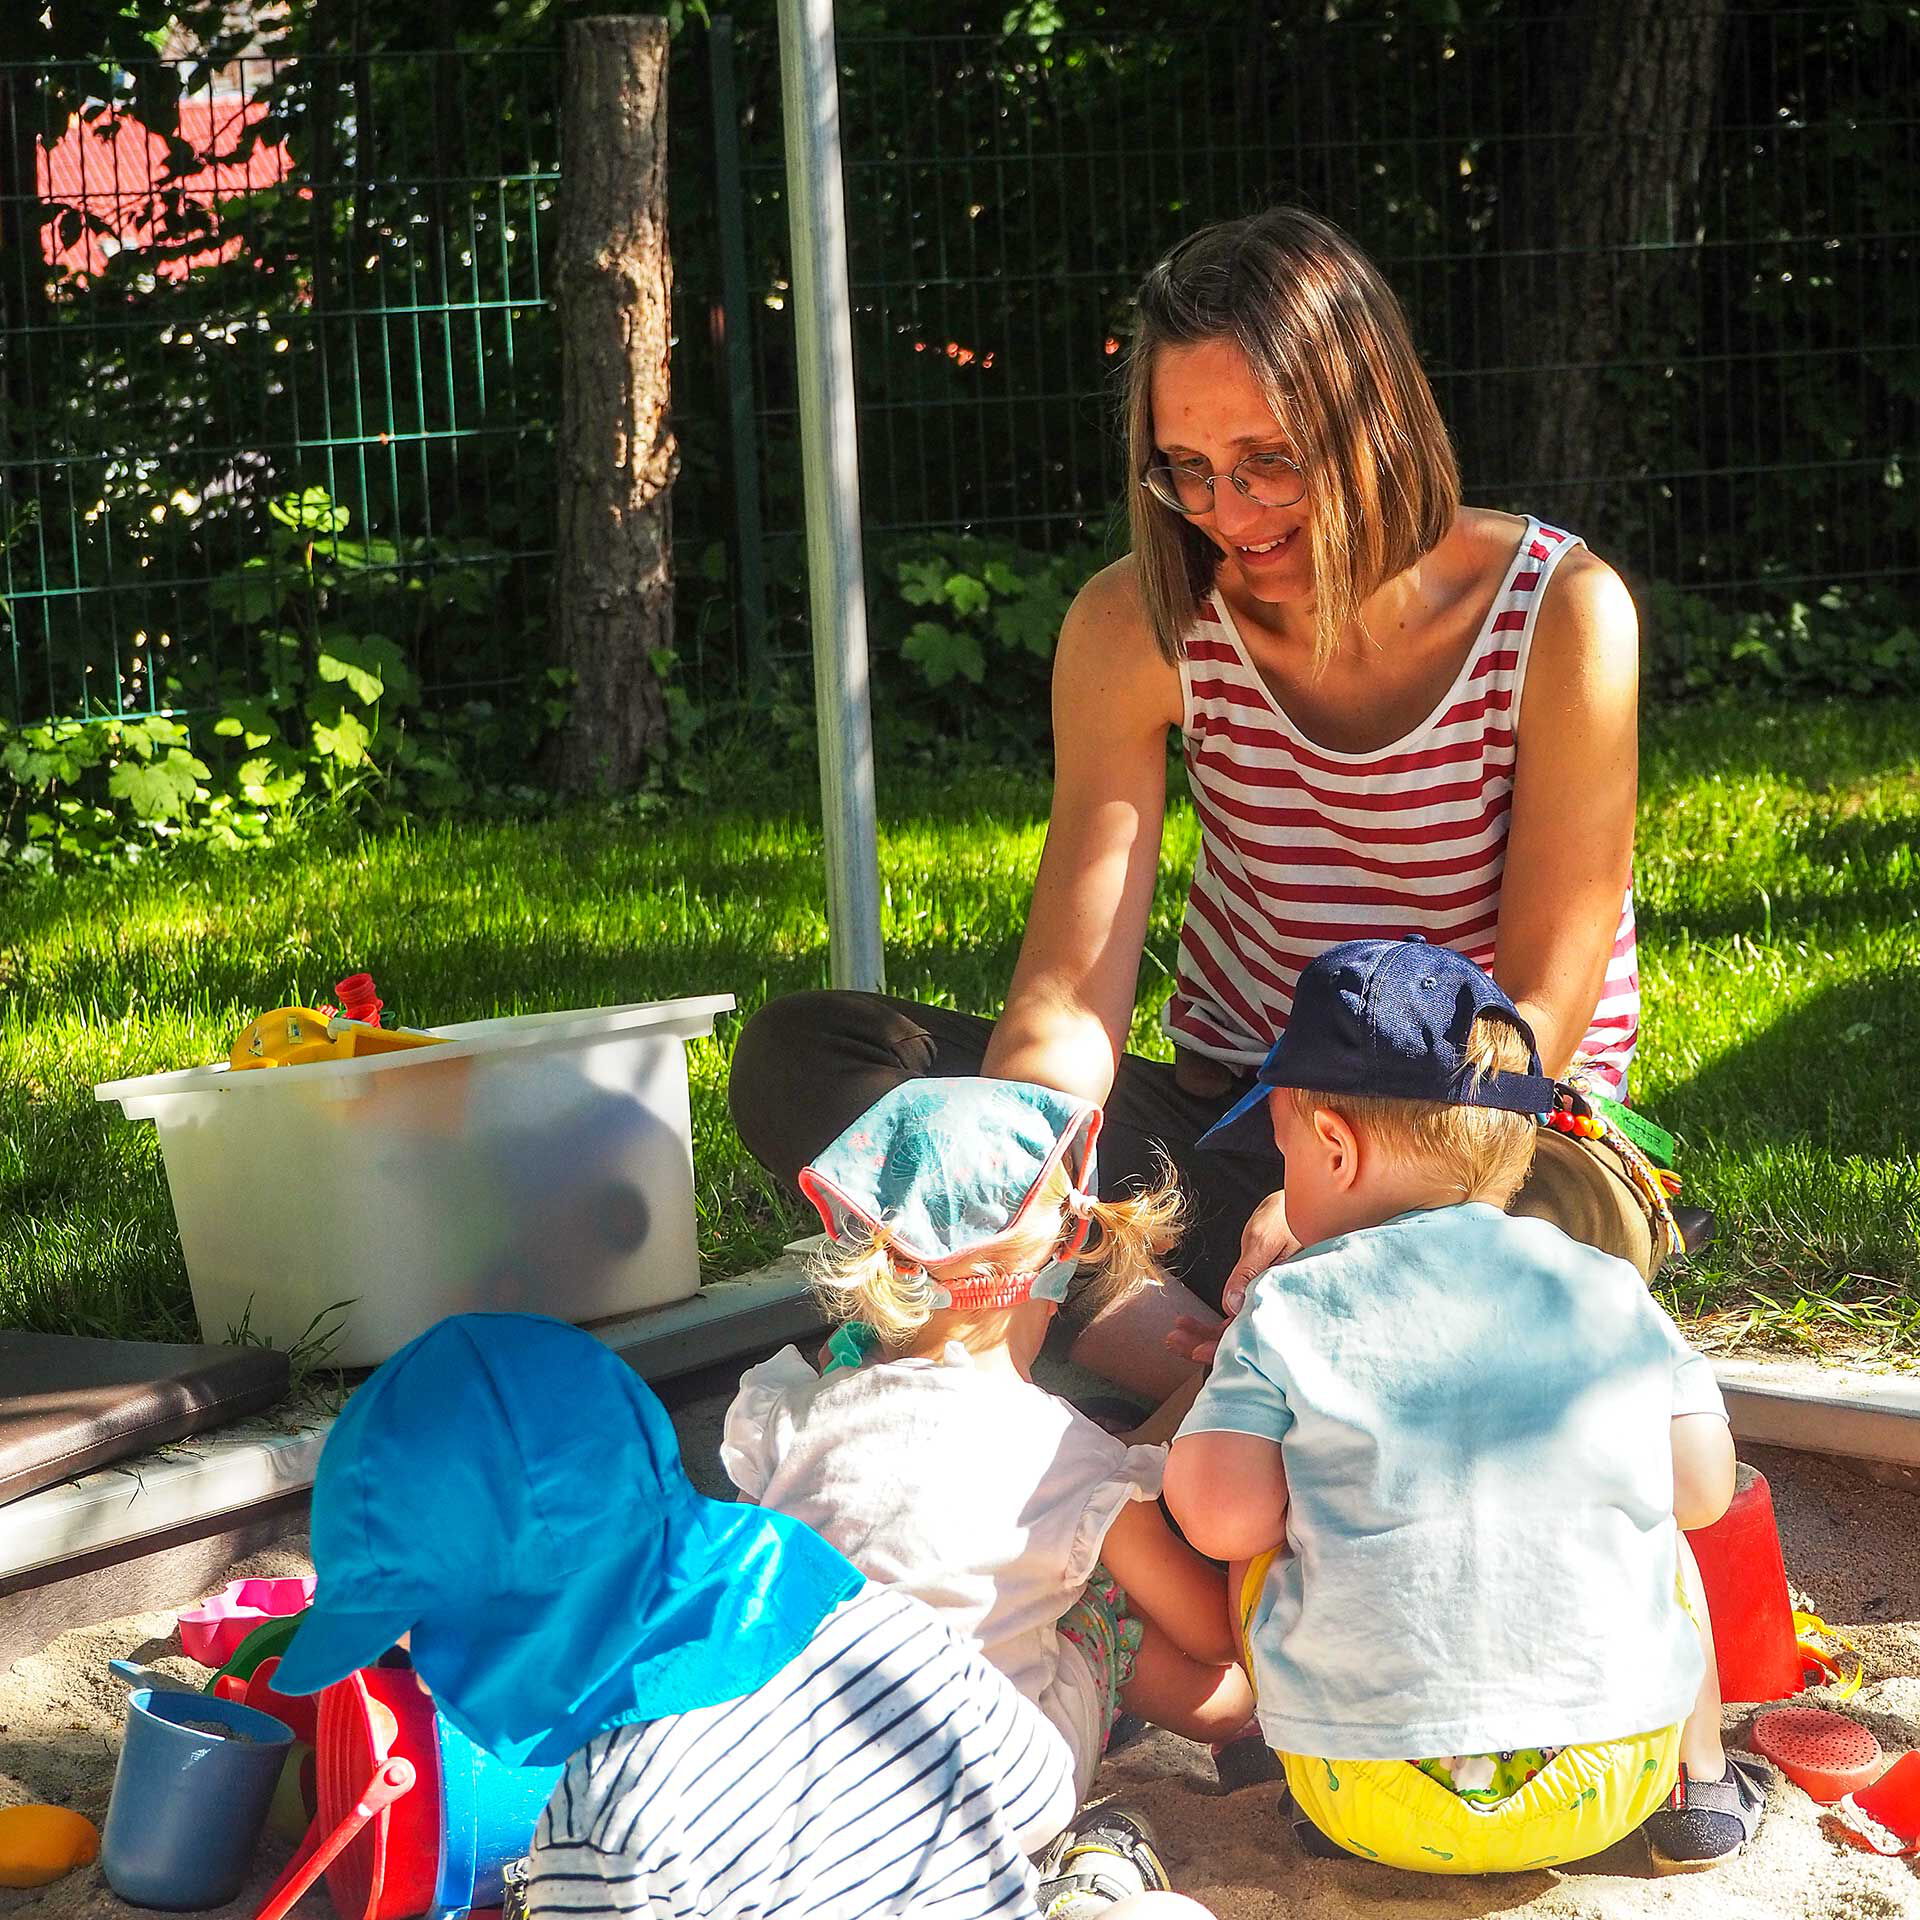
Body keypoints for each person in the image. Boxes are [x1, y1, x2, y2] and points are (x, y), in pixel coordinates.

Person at [729, 204, 1669, 1402]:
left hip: (1495, 1151)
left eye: (1269, 460)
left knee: (1561, 1245)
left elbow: (1540, 1007)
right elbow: (1068, 1000)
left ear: (1373, 422)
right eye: (1188, 471)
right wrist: (1021, 1190)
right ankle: (1167, 1326)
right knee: (814, 1056)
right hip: (1237, 1154)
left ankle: (1241, 1357)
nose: (1227, 512)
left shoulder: (1562, 613)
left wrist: (1353, 1195)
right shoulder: (1136, 624)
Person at [270, 1311, 1210, 1920]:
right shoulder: (874, 1628)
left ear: (512, 1633)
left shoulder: (600, 1826)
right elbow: (1037, 1789)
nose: (426, 1674)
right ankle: (1097, 1890)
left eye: (427, 1638)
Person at [1160, 936, 1768, 1875]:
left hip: (1367, 1792)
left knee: (1270, 1544)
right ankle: (1698, 1793)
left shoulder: (1290, 1302)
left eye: (1278, 1151)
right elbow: (1701, 1491)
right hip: (1610, 1775)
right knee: (1662, 1538)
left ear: (1331, 1144)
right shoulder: (1607, 1286)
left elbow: (1218, 1518)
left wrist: (1255, 1426)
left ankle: (1299, 1769)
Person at [722, 1078, 1255, 1803]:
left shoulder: (785, 1412)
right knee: (1099, 1599)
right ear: (1056, 1266)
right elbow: (1213, 1633)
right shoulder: (1068, 1458)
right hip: (992, 1796)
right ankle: (1243, 1726)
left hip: (799, 1769)